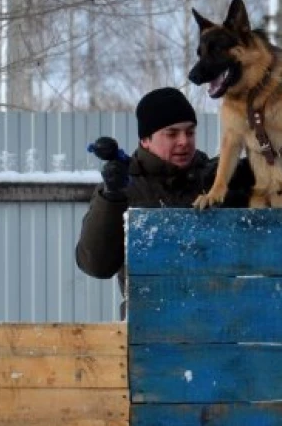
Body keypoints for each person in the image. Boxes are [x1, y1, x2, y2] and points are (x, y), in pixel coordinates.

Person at [75, 87, 254, 313]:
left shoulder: (215, 181)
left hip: (218, 325)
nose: (184, 141)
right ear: (146, 139)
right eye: (172, 134)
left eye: (190, 132)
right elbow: (96, 265)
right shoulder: (126, 186)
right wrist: (111, 197)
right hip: (148, 328)